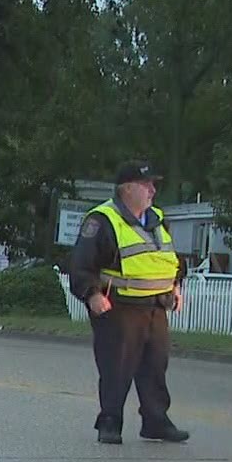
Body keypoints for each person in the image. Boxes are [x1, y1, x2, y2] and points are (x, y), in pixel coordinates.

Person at [67, 160, 191, 446]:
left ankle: (156, 421)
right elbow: (81, 264)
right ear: (126, 189)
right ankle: (110, 422)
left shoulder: (157, 219)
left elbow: (169, 259)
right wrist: (92, 294)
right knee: (117, 367)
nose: (152, 190)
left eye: (153, 184)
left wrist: (174, 288)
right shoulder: (102, 220)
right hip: (118, 308)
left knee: (155, 367)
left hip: (155, 307)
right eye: (145, 184)